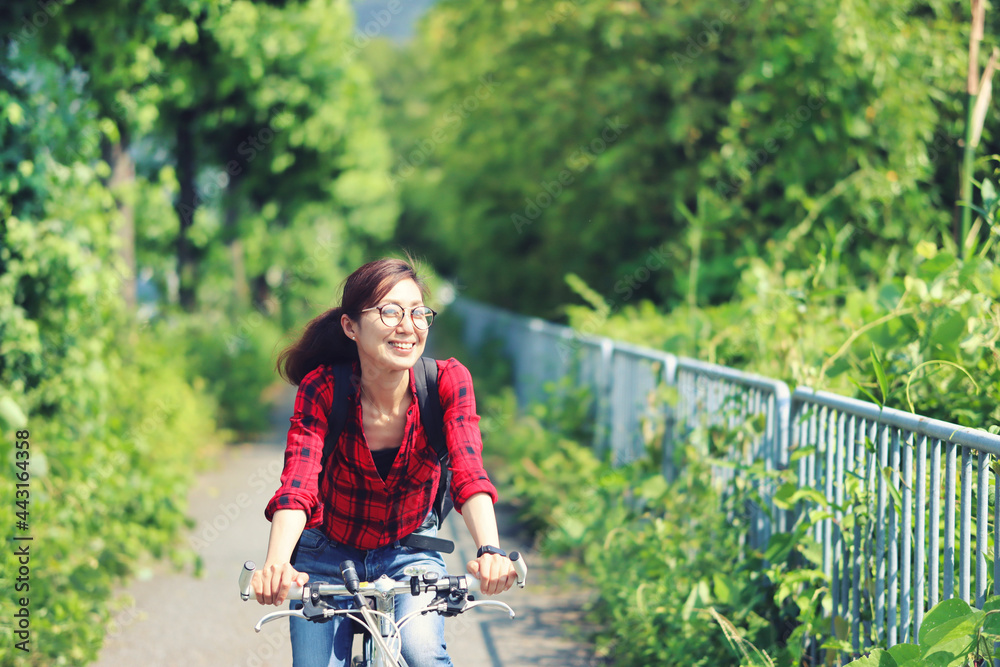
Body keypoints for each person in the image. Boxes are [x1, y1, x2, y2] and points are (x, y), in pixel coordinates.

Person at [252, 257, 517, 667]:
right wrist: (276, 563)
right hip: (325, 552)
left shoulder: (446, 382)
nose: (407, 325)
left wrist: (490, 550)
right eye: (390, 311)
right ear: (350, 326)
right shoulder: (322, 387)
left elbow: (469, 471)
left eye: (417, 312)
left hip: (409, 550)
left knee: (423, 654)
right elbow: (298, 483)